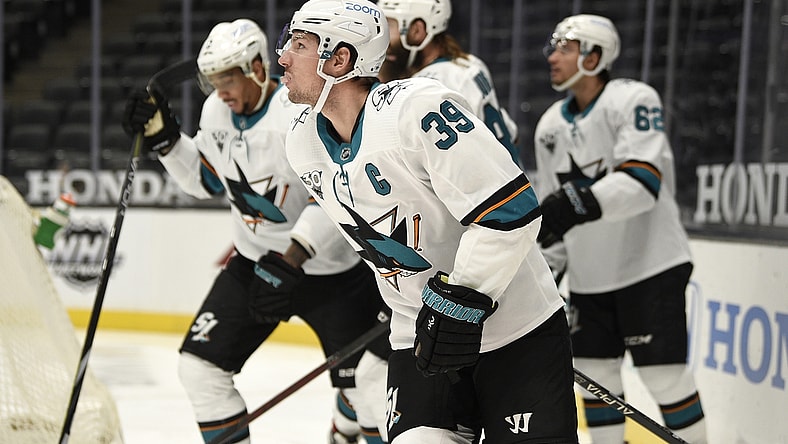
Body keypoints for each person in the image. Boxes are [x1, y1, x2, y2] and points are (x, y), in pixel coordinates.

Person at [276, 1, 579, 443]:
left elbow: (512, 212)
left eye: (298, 45)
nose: (283, 56)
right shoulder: (302, 142)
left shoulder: (417, 109)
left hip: (516, 328)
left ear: (338, 59)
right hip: (419, 339)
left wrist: (459, 299)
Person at [121, 18, 387, 444]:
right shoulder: (216, 112)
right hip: (254, 266)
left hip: (333, 274)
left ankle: (349, 418)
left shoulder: (299, 113)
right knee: (199, 368)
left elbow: (337, 196)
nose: (219, 92)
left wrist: (291, 259)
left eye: (227, 79)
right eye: (212, 82)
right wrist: (167, 141)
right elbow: (207, 181)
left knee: (371, 385)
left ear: (258, 68)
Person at [533, 14, 708, 443]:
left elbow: (643, 182)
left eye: (564, 47)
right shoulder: (550, 125)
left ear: (594, 56)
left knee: (664, 376)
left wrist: (579, 200)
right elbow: (555, 223)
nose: (552, 56)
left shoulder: (633, 99)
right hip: (592, 277)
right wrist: (542, 275)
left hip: (648, 263)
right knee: (595, 378)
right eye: (553, 47)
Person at [378, 0, 520, 165]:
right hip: (508, 180)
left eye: (389, 27)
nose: (384, 38)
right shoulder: (469, 63)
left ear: (417, 30)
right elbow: (512, 134)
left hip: (486, 186)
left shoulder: (428, 86)